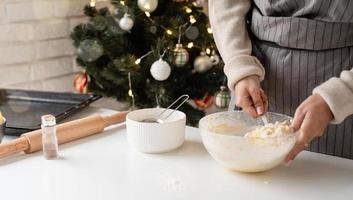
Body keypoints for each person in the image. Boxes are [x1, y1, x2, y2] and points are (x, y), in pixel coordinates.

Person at [209, 0, 353, 162]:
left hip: (343, 78)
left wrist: (342, 93)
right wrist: (240, 67)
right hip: (256, 73)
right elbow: (225, 5)